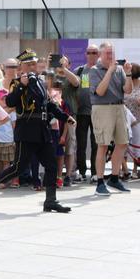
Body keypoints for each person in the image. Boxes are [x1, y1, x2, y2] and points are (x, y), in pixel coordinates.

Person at [0, 49, 75, 213]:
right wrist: (22, 87)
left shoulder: (40, 82)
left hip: (42, 129)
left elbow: (49, 104)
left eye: (34, 63)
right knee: (19, 167)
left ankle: (50, 200)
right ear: (21, 66)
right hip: (26, 129)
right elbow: (10, 101)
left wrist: (65, 117)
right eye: (28, 64)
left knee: (51, 165)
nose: (32, 66)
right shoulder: (17, 83)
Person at [89, 42, 133, 196]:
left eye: (112, 52)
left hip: (119, 107)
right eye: (108, 53)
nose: (111, 56)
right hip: (102, 108)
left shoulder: (119, 69)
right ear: (100, 55)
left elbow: (127, 90)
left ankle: (114, 178)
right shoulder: (94, 70)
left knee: (123, 143)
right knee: (103, 145)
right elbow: (100, 92)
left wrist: (127, 74)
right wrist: (109, 72)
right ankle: (100, 182)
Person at [74, 45, 100, 182]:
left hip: (98, 112)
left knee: (96, 143)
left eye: (94, 52)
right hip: (82, 112)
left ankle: (96, 172)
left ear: (99, 54)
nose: (91, 55)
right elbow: (72, 89)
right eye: (89, 52)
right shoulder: (80, 71)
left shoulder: (103, 70)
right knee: (81, 143)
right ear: (85, 54)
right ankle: (81, 171)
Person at [54, 55, 80, 186]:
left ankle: (68, 175)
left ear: (69, 64)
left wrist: (64, 69)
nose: (60, 64)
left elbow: (76, 82)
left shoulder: (70, 76)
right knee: (54, 146)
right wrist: (50, 66)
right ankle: (55, 174)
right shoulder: (51, 75)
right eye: (58, 62)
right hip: (52, 116)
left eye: (63, 62)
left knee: (69, 147)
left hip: (69, 115)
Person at [0, 89, 18, 188]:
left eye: (6, 99)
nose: (4, 101)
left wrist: (14, 140)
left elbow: (14, 126)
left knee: (6, 161)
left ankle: (5, 181)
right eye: (2, 99)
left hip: (8, 139)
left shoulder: (12, 112)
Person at [126, 64, 140, 178]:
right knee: (123, 146)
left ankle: (135, 170)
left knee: (136, 147)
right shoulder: (125, 84)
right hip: (124, 120)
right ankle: (123, 169)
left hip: (137, 121)